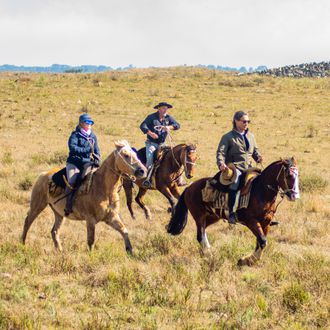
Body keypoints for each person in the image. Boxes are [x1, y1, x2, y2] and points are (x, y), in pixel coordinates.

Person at [216, 111, 263, 224]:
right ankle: (231, 213)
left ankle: (261, 213)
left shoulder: (251, 136)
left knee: (262, 181)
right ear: (236, 121)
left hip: (249, 167)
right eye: (244, 121)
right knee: (236, 181)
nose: (246, 123)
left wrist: (258, 157)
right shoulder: (228, 137)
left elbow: (255, 151)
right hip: (235, 167)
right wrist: (221, 163)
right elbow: (221, 152)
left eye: (248, 121)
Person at [64, 113, 101, 216]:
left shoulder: (92, 136)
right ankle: (68, 204)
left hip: (87, 162)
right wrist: (87, 150)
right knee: (72, 180)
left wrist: (98, 157)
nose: (89, 124)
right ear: (81, 123)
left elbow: (97, 149)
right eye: (87, 122)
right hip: (74, 162)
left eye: (91, 122)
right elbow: (73, 148)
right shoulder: (75, 135)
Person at [140, 102, 180, 188]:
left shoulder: (168, 118)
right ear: (158, 109)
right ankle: (147, 180)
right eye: (163, 108)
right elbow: (142, 126)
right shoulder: (151, 117)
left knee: (173, 157)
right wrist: (151, 133)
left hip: (162, 144)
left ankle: (178, 179)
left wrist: (170, 127)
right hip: (151, 144)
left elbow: (177, 125)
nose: (165, 110)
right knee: (150, 159)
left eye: (166, 108)